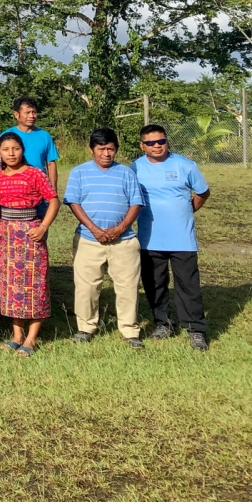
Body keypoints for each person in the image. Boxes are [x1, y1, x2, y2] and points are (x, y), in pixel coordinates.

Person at [64, 128, 144, 349]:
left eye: (111, 149)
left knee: (128, 286)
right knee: (87, 287)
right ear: (92, 149)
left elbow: (136, 203)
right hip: (89, 239)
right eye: (101, 149)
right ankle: (86, 327)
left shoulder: (127, 173)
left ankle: (130, 330)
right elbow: (74, 203)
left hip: (124, 240)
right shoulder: (79, 172)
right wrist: (94, 229)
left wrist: (120, 228)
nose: (106, 154)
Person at [134, 125, 210, 350]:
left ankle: (196, 329)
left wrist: (186, 211)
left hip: (182, 239)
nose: (156, 146)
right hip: (150, 238)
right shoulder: (135, 168)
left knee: (188, 285)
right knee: (154, 284)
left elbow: (203, 193)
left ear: (167, 142)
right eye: (150, 143)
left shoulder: (186, 165)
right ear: (142, 146)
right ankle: (163, 322)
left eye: (161, 141)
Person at [0, 131, 60, 355]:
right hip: (7, 236)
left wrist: (43, 227)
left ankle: (31, 339)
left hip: (31, 233)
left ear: (22, 150)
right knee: (11, 286)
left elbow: (53, 200)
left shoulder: (35, 173)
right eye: (6, 149)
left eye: (15, 148)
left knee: (35, 284)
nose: (11, 154)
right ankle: (17, 335)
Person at [2, 96, 59, 192]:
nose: (32, 116)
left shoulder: (44, 136)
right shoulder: (7, 136)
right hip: (15, 187)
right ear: (16, 115)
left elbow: (51, 164)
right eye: (27, 113)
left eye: (34, 112)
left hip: (40, 187)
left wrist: (53, 190)